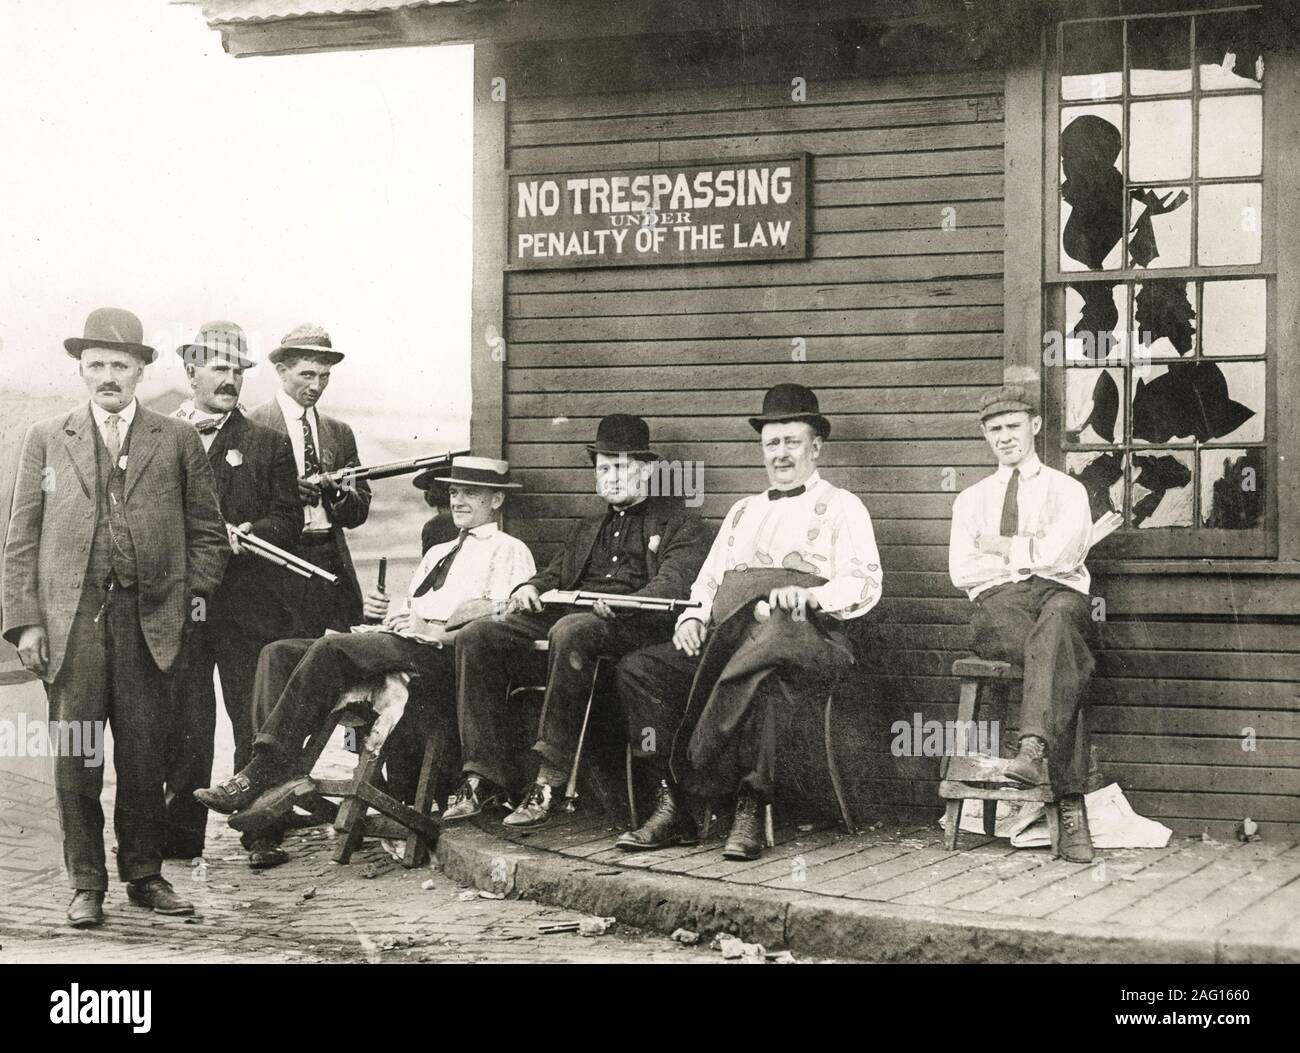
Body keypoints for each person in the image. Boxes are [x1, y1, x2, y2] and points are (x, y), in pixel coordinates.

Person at [2, 308, 229, 928]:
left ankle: (144, 875)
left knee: (145, 755)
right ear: (81, 369)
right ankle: (85, 883)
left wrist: (186, 604)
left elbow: (209, 536)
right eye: (97, 364)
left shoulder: (176, 440)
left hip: (151, 623)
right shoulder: (48, 437)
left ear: (140, 371)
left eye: (120, 365)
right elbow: (21, 537)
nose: (108, 375)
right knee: (77, 757)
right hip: (71, 626)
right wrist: (26, 622)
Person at [192, 457, 535, 856]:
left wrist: (432, 627)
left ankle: (260, 772)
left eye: (470, 494)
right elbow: (415, 605)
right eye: (455, 492)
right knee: (278, 653)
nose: (458, 501)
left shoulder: (509, 549)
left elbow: (499, 615)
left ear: (496, 500)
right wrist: (385, 612)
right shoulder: (440, 550)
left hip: (440, 659)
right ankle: (272, 773)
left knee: (331, 648)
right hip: (401, 642)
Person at [615, 384, 882, 861]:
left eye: (792, 442)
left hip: (804, 635)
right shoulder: (743, 511)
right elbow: (707, 581)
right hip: (727, 638)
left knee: (769, 665)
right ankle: (672, 799)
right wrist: (693, 617)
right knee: (641, 669)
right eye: (772, 444)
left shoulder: (844, 506)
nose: (781, 454)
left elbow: (865, 583)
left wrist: (809, 595)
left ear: (815, 447)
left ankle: (748, 804)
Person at [444, 414, 711, 829]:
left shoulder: (680, 524)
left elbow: (671, 585)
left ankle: (549, 780)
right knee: (479, 635)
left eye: (621, 468)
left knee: (570, 629)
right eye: (604, 469)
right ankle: (482, 776)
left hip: (632, 630)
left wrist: (621, 605)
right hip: (571, 622)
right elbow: (553, 575)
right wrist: (528, 588)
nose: (612, 478)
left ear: (647, 470)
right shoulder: (587, 529)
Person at [161, 321, 301, 860]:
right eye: (219, 368)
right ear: (191, 370)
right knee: (187, 720)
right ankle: (180, 838)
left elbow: (288, 519)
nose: (231, 381)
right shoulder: (160, 434)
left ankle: (261, 831)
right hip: (188, 603)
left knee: (252, 717)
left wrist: (249, 536)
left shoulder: (266, 444)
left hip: (248, 605)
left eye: (238, 371)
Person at [948, 384, 1096, 863]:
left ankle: (1033, 752)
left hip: (1061, 599)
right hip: (1000, 607)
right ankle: (1070, 807)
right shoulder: (970, 500)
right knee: (1058, 657)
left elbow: (1067, 554)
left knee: (1057, 630)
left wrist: (1002, 547)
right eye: (995, 430)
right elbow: (962, 571)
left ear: (1034, 426)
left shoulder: (1067, 490)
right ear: (985, 436)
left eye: (1014, 426)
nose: (1005, 438)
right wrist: (1031, 555)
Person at [248, 323, 370, 635]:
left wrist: (337, 494)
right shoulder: (250, 427)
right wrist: (284, 493)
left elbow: (359, 511)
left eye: (324, 376)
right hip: (276, 563)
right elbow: (238, 505)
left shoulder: (339, 433)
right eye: (307, 374)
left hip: (330, 560)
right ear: (281, 370)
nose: (317, 385)